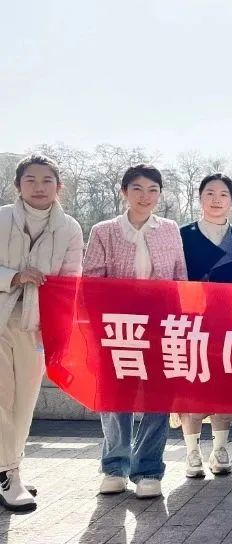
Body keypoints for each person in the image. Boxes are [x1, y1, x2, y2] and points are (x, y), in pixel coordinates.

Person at [84, 164, 187, 500]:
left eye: (153, 190)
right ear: (124, 192)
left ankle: (148, 469)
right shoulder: (104, 231)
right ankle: (114, 466)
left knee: (158, 397)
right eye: (138, 189)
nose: (146, 196)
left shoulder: (170, 229)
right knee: (117, 397)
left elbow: (180, 277)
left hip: (160, 325)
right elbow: (92, 281)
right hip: (118, 325)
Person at [0, 154, 84, 512]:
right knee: (1, 396)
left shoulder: (70, 228)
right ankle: (8, 473)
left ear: (58, 187)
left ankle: (9, 466)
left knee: (24, 401)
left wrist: (62, 332)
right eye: (30, 180)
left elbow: (70, 283)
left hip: (36, 323)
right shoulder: (2, 218)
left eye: (47, 180)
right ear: (17, 185)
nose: (38, 187)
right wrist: (14, 277)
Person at [178, 174, 232, 479]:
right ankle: (191, 452)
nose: (216, 199)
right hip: (190, 324)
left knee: (224, 387)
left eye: (223, 194)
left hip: (231, 324)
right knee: (191, 386)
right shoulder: (182, 235)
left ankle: (220, 449)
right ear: (200, 198)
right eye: (210, 193)